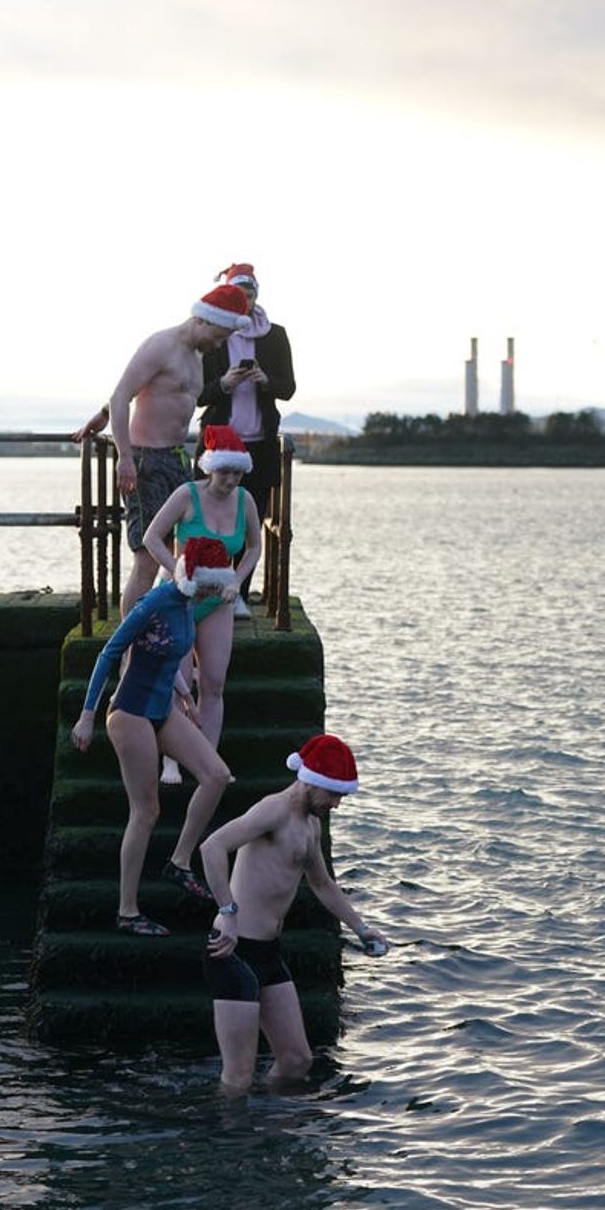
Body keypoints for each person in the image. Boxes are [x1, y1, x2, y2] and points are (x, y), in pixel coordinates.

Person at [199, 734, 388, 1093]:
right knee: (238, 1075)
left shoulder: (310, 825)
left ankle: (273, 1133)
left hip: (268, 952)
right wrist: (227, 911)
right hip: (233, 950)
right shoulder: (274, 810)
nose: (336, 804)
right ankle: (229, 1144)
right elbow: (213, 846)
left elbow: (323, 886)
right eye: (334, 794)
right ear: (313, 781)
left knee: (297, 1060)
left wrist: (362, 928)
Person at [70, 537, 236, 937]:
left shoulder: (187, 604)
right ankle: (127, 911)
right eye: (213, 584)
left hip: (164, 709)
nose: (217, 593)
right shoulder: (155, 603)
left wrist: (188, 700)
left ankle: (178, 862)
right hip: (129, 713)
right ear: (196, 578)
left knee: (217, 776)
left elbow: (165, 656)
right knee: (146, 812)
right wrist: (87, 715)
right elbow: (109, 653)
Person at [73, 285, 252, 615]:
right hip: (145, 461)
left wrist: (100, 417)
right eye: (220, 334)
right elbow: (122, 393)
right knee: (147, 560)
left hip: (177, 458)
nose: (220, 344)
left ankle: (166, 641)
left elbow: (168, 395)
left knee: (180, 555)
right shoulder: (161, 345)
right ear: (202, 320)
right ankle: (128, 652)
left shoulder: (197, 356)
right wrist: (125, 457)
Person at [142, 425, 261, 784]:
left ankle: (208, 761)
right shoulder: (186, 495)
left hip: (219, 599)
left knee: (213, 683)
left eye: (237, 473)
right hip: (181, 598)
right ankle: (171, 763)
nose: (230, 480)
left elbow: (254, 546)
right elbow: (151, 537)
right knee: (177, 681)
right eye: (225, 472)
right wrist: (176, 572)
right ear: (210, 467)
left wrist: (236, 581)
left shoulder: (245, 500)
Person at [196, 263, 296, 614]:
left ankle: (237, 592)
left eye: (250, 295)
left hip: (260, 444)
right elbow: (198, 394)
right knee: (210, 521)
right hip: (218, 442)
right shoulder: (211, 335)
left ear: (256, 297)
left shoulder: (275, 334)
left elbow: (289, 389)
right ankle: (206, 588)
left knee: (250, 524)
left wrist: (265, 380)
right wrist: (224, 384)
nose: (245, 301)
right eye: (238, 295)